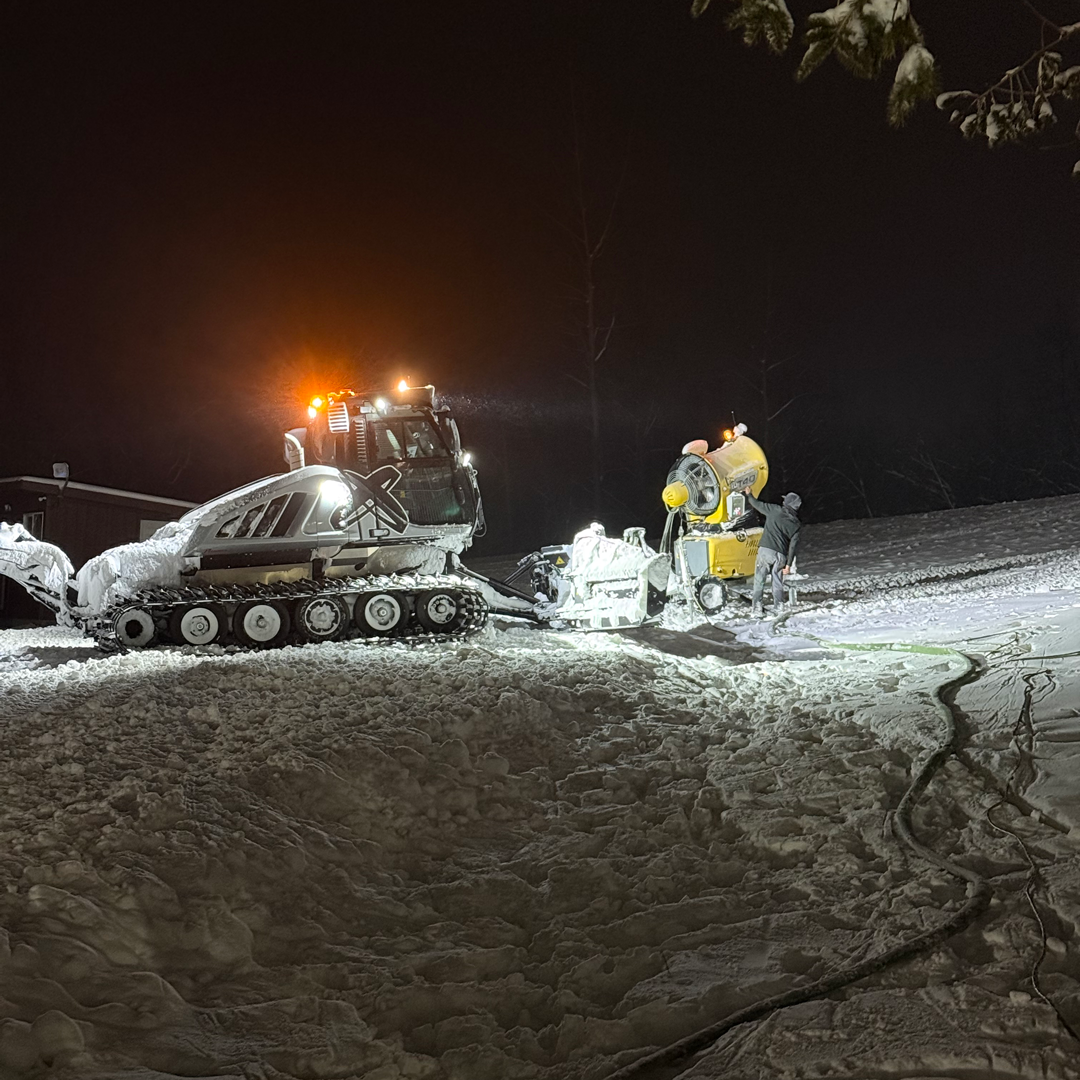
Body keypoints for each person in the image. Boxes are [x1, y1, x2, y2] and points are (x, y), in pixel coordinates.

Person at [742, 487, 802, 618]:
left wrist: (749, 494)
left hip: (765, 551)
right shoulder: (796, 524)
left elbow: (756, 504)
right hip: (780, 556)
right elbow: (793, 546)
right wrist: (788, 565)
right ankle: (779, 606)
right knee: (777, 581)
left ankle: (757, 608)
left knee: (760, 580)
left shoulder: (775, 510)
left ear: (786, 504)